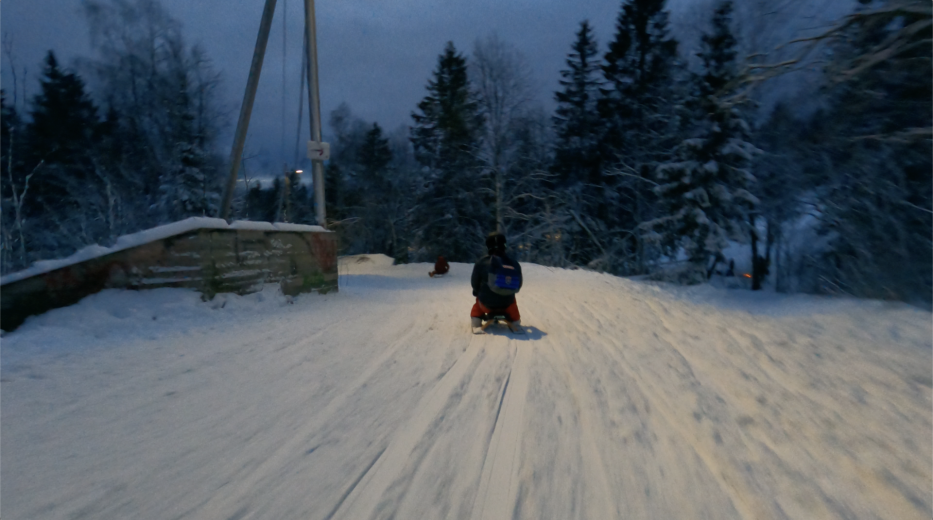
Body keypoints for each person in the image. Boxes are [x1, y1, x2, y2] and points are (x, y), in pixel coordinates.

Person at [471, 232, 522, 331]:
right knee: (512, 299)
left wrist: (476, 291)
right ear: (504, 245)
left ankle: (476, 321)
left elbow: (475, 283)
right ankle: (515, 322)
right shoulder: (514, 263)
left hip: (486, 305)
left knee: (478, 298)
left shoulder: (481, 262)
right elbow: (518, 285)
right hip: (508, 305)